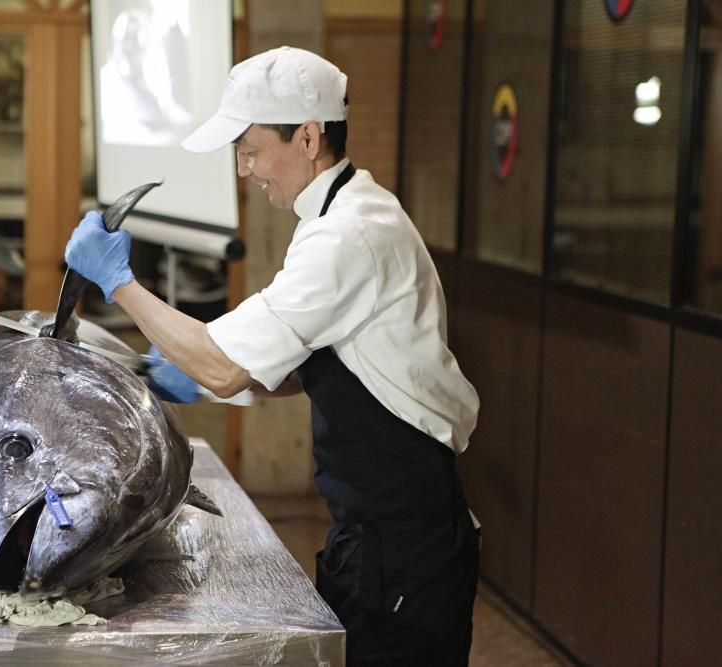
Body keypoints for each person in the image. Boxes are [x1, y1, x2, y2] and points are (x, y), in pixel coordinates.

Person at [66, 46, 480, 665]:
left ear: (308, 136)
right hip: (374, 537)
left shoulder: (349, 235)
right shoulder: (342, 216)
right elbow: (306, 363)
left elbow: (229, 363)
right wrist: (198, 375)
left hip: (404, 549)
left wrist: (120, 283)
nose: (245, 169)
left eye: (252, 149)